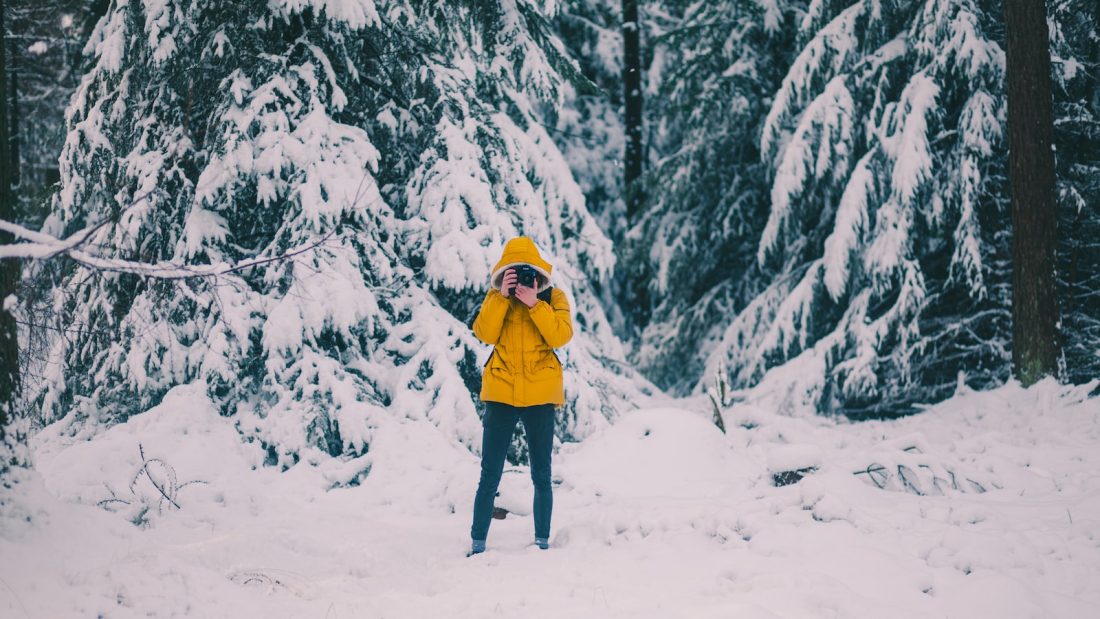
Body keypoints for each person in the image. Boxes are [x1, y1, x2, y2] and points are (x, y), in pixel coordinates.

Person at [468, 236, 573, 556]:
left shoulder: (553, 297)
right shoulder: (496, 298)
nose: (522, 279)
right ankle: (477, 542)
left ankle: (542, 540)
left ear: (539, 273)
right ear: (503, 274)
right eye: (513, 272)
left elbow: (561, 335)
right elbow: (483, 333)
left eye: (527, 272)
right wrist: (501, 297)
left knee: (541, 472)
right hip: (501, 392)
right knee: (490, 473)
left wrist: (534, 303)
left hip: (540, 394)